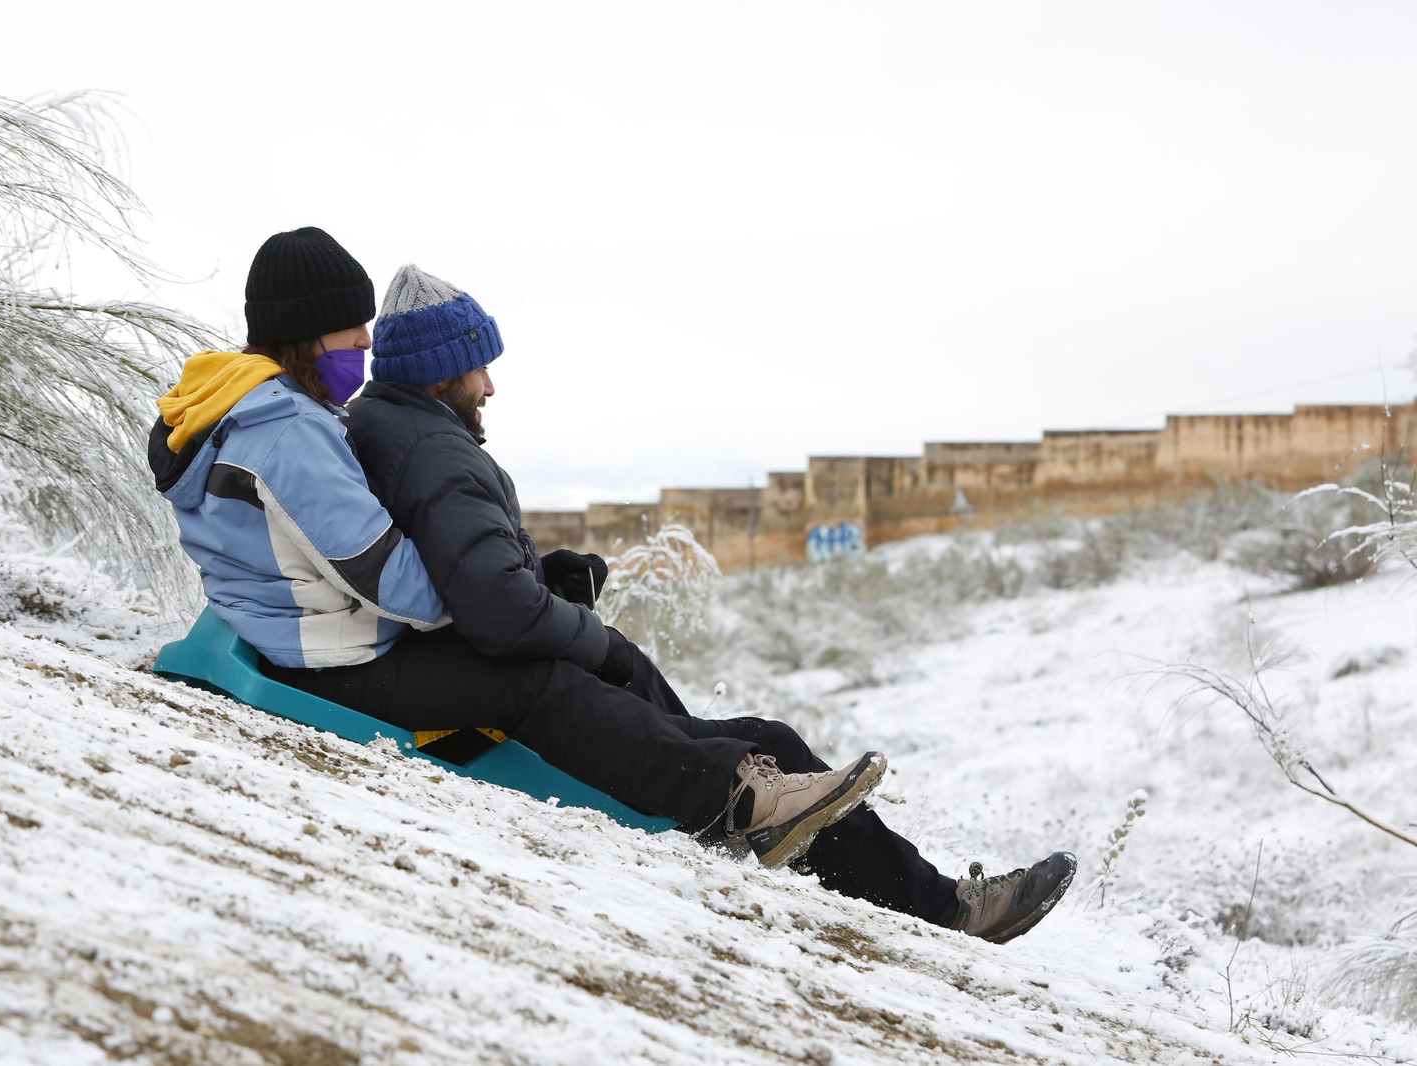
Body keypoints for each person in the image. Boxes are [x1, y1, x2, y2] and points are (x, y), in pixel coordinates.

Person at [263, 262, 1076, 944]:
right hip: (508, 681)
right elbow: (495, 616)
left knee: (766, 742)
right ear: (442, 373)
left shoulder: (401, 431)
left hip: (485, 659)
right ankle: (945, 913)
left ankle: (918, 898)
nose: (492, 384)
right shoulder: (433, 450)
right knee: (770, 746)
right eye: (479, 366)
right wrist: (592, 636)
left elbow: (455, 575)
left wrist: (544, 576)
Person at [148, 228, 886, 878]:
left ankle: (742, 781)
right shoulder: (288, 434)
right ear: (306, 336)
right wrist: (484, 605)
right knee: (533, 684)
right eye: (351, 335)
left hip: (294, 629)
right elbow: (387, 578)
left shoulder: (237, 409)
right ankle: (739, 796)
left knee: (537, 663)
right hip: (333, 655)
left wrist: (517, 585)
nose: (365, 350)